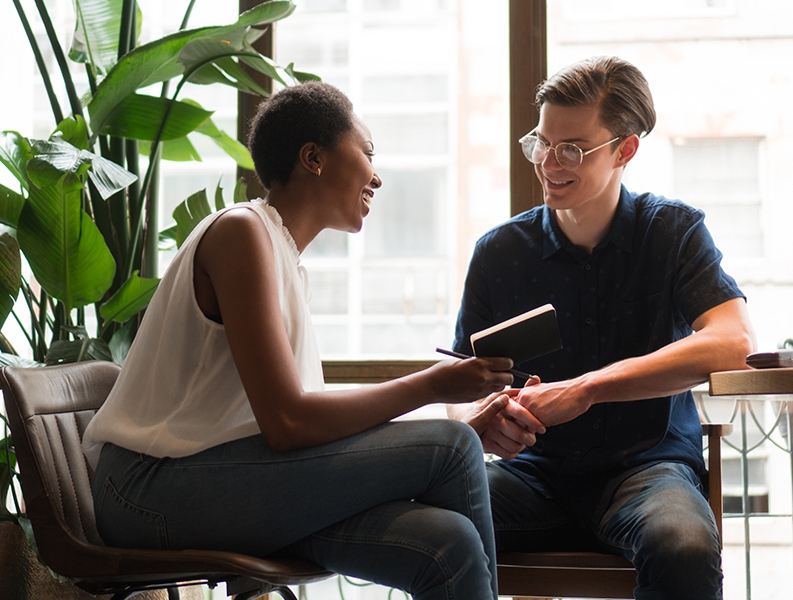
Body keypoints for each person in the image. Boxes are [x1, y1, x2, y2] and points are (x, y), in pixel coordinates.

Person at [81, 81, 517, 600]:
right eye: (367, 152)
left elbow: (299, 428)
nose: (377, 175)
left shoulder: (281, 257)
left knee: (449, 543)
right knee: (453, 446)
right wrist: (433, 386)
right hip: (148, 491)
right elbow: (288, 423)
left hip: (221, 481)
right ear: (313, 157)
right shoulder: (242, 232)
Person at [447, 56, 757, 600]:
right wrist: (486, 420)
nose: (548, 162)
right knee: (432, 522)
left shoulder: (674, 233)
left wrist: (587, 389)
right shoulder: (499, 253)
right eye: (541, 143)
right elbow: (459, 388)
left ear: (625, 150)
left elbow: (733, 342)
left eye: (572, 149)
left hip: (649, 471)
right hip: (531, 478)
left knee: (682, 545)